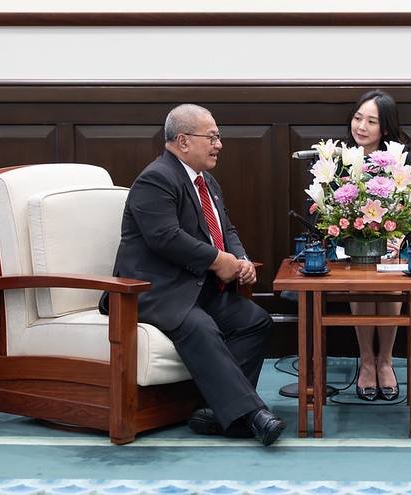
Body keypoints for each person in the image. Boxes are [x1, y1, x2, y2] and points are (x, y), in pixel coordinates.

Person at [99, 104, 285, 446]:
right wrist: (217, 260)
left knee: (254, 319)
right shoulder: (155, 179)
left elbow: (225, 228)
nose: (219, 144)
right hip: (153, 290)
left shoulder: (206, 181)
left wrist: (240, 259)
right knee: (200, 326)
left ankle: (218, 413)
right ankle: (253, 414)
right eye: (212, 137)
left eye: (218, 137)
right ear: (183, 141)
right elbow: (165, 237)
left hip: (195, 287)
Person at [345, 89, 411, 401]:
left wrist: (397, 238)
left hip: (391, 243)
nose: (361, 126)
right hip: (348, 243)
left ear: (384, 128)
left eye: (371, 121)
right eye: (358, 118)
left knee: (392, 271)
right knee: (359, 273)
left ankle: (385, 360)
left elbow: (409, 209)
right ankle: (366, 361)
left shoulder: (399, 161)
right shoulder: (341, 160)